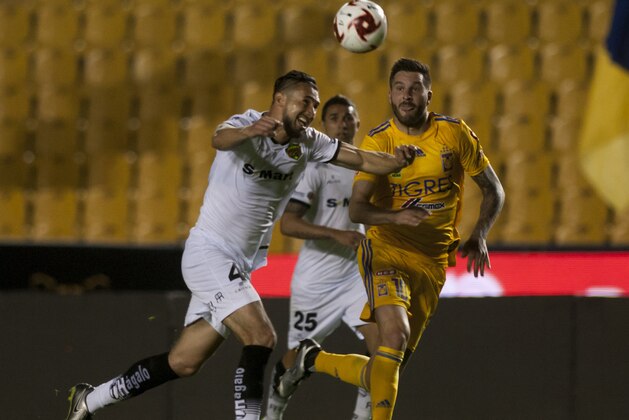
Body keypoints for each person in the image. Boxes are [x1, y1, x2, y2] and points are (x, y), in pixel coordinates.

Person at [65, 70, 419, 420]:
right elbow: (219, 139)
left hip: (239, 265)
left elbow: (359, 158)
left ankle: (90, 400)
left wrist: (396, 162)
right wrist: (250, 131)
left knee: (184, 362)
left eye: (314, 104)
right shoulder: (246, 123)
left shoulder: (308, 141)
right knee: (262, 335)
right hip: (209, 252)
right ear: (280, 100)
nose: (311, 111)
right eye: (305, 102)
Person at [277, 58, 505, 420]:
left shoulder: (454, 134)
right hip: (386, 252)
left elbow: (493, 189)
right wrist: (397, 216)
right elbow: (358, 210)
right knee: (394, 338)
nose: (406, 95)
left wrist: (479, 234)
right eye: (399, 88)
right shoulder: (378, 142)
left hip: (431, 263)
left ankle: (313, 358)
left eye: (414, 88)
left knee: (387, 366)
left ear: (429, 93)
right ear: (389, 94)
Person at [263, 95, 378, 420]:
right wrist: (337, 234)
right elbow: (288, 223)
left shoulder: (368, 168)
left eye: (348, 117)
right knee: (299, 358)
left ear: (357, 123)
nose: (342, 122)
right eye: (334, 117)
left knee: (384, 344)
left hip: (356, 275)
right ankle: (274, 406)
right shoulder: (314, 169)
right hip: (317, 280)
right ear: (324, 125)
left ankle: (363, 414)